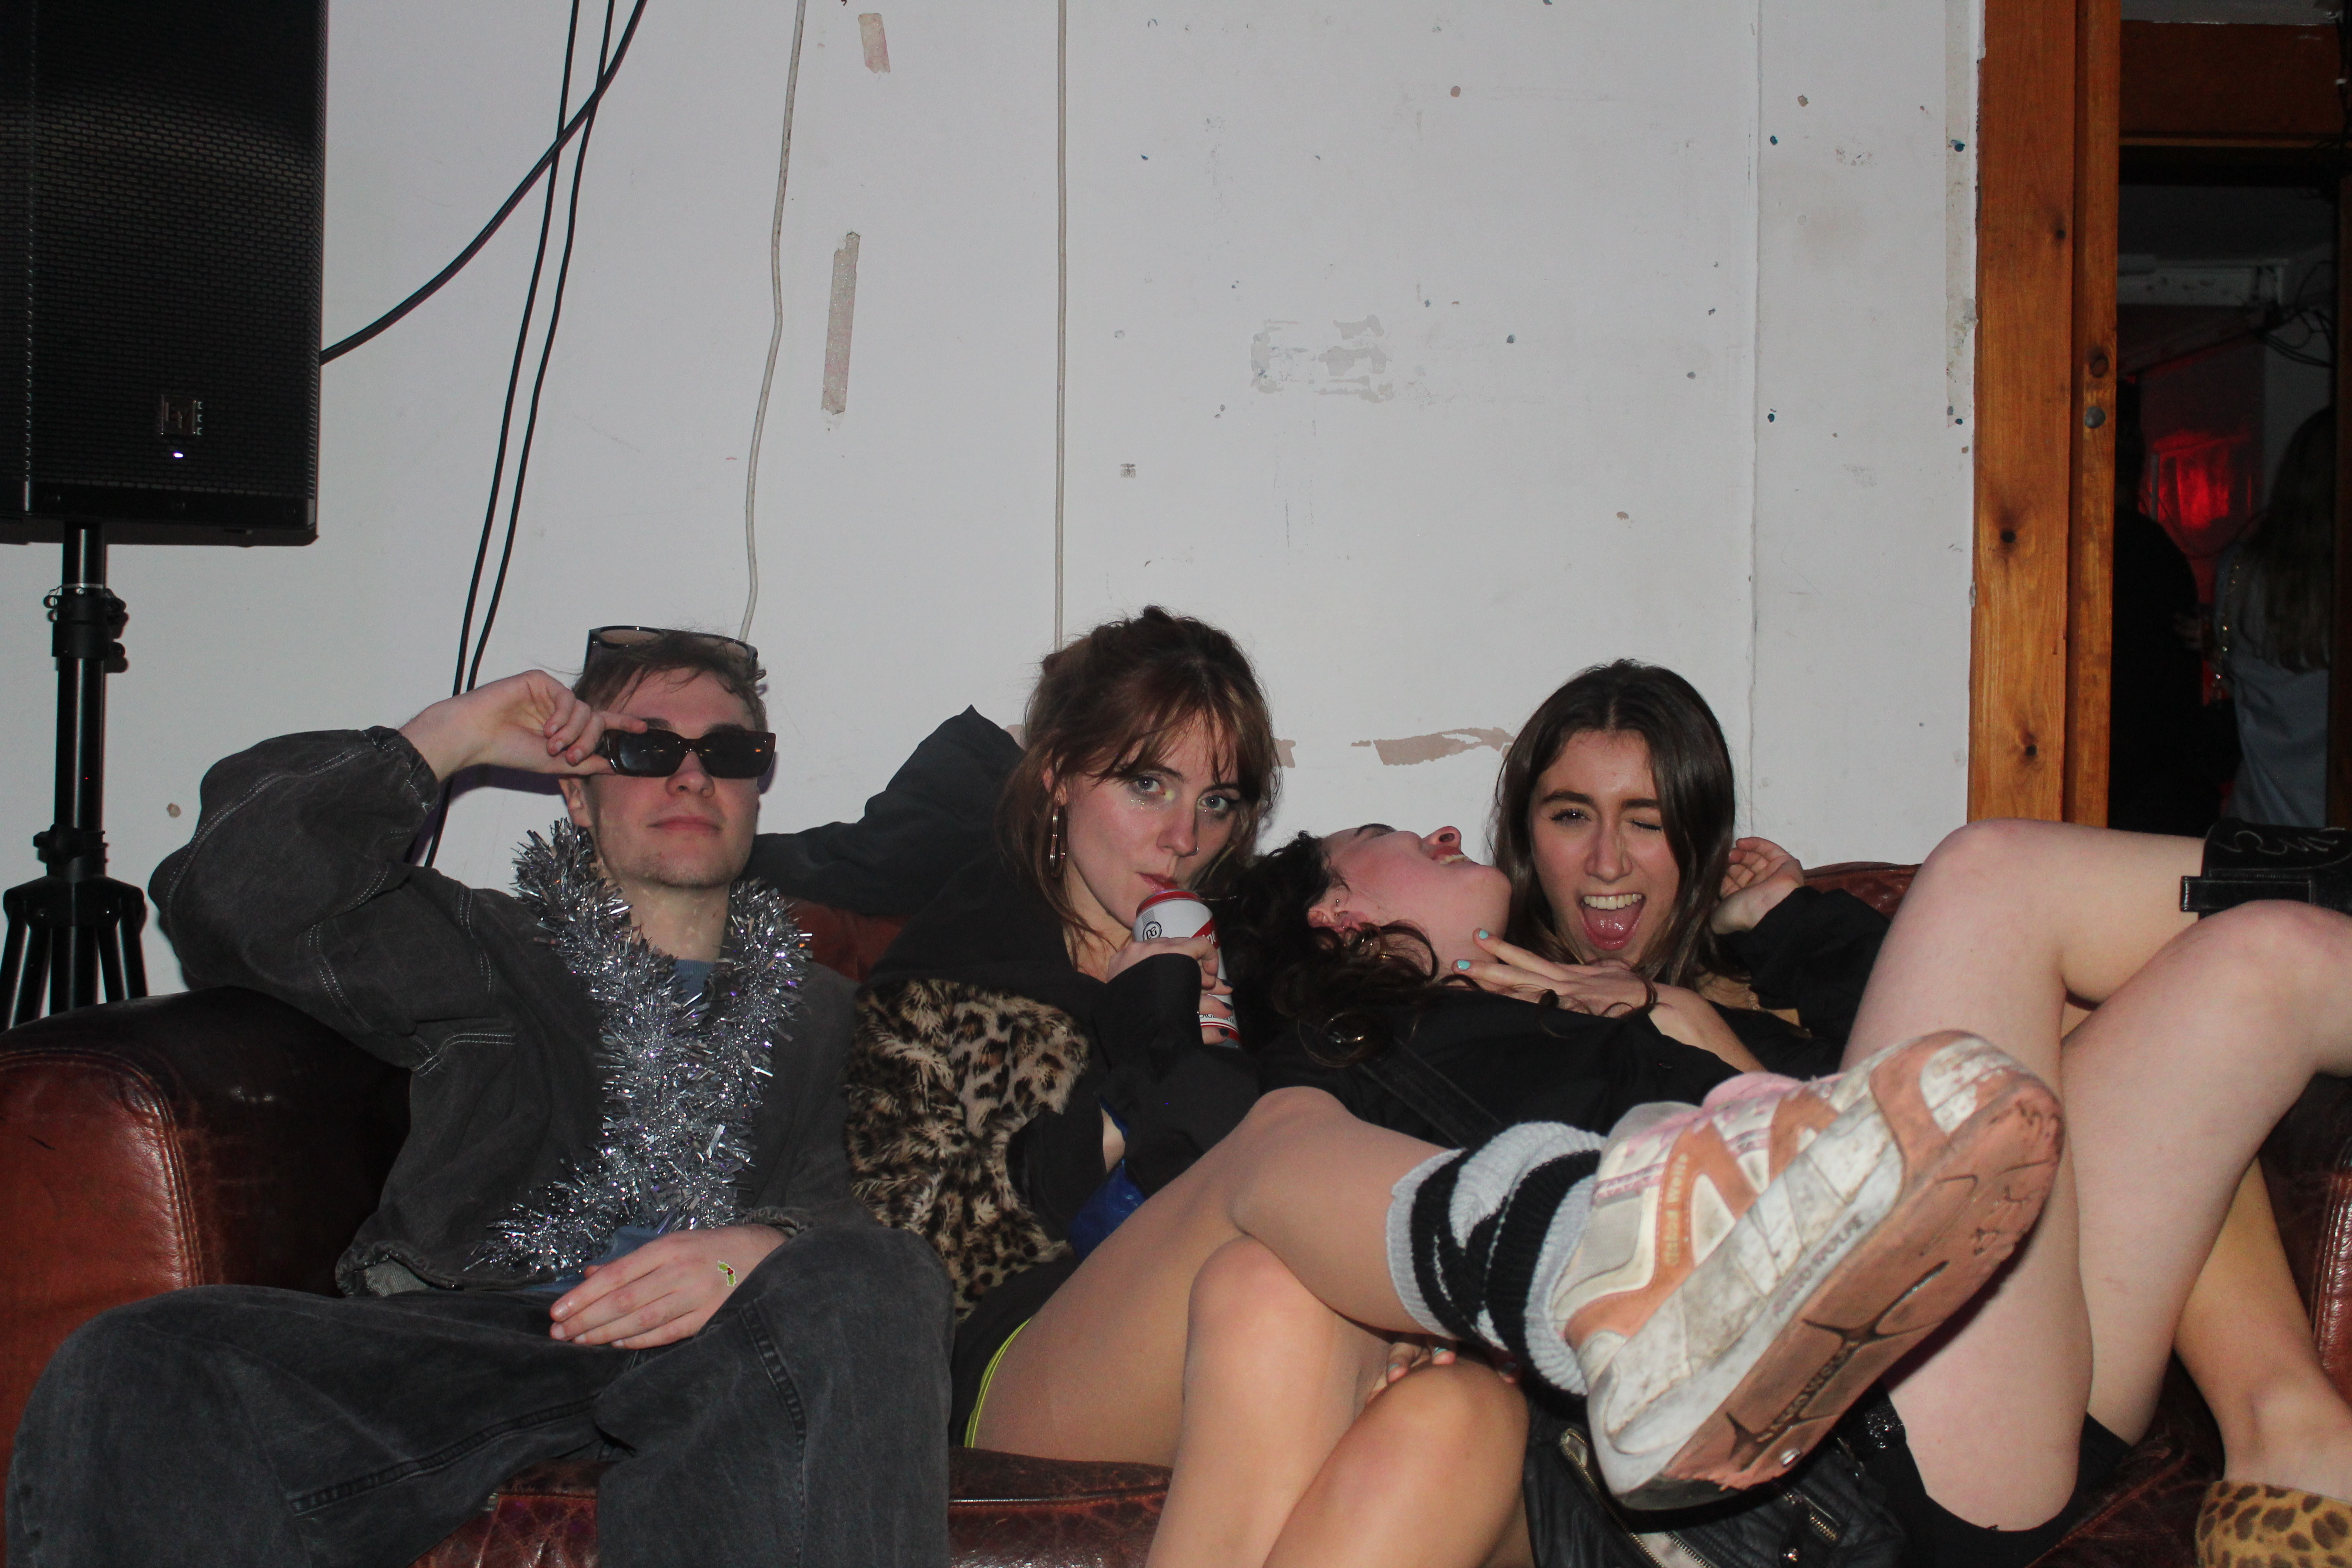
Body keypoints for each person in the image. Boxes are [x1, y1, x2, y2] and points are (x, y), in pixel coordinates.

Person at [848, 618, 2059, 1568]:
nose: (1184, 837)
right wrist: (1140, 1053)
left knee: (1415, 1388)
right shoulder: (952, 969)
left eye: (1217, 801)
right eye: (1147, 785)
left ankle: (1584, 1277)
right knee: (1282, 1142)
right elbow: (924, 1258)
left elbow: (1248, 1175)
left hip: (1226, 1297)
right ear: (1059, 776)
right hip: (1022, 1352)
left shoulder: (1239, 956)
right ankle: (1592, 1269)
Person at [1274, 658, 2352, 1566]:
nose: (1606, 861)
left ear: (1699, 840)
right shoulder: (1472, 1034)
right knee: (1985, 876)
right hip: (1877, 1419)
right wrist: (1679, 1045)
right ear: (1525, 835)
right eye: (1571, 817)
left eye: (1648, 821)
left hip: (2031, 1357)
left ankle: (2289, 1430)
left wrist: (1773, 937)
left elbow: (1969, 1047)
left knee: (2265, 958)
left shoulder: (1752, 978)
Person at [8, 627, 953, 1568]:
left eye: (731, 752)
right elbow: (230, 892)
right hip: (485, 1344)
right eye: (644, 748)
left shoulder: (838, 1016)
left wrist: (769, 1249)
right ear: (575, 791)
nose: (691, 776)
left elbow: (901, 1210)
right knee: (146, 1355)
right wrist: (447, 738)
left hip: (738, 1358)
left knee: (875, 1278)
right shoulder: (481, 948)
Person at [2215, 407, 2334, 827]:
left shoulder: (2242, 571)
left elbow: (2235, 673)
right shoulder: (2245, 571)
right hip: (2329, 834)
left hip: (2260, 828)